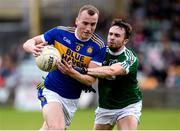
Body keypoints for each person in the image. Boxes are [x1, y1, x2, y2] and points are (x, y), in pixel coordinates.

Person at [23, 4, 106, 130]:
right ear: (77, 21)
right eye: (85, 23)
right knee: (57, 128)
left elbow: (90, 80)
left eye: (93, 24)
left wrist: (71, 72)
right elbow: (28, 43)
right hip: (50, 90)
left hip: (71, 99)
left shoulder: (98, 46)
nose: (89, 28)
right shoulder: (60, 33)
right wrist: (32, 48)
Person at [86, 19, 143, 130]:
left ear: (125, 41)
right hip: (105, 106)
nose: (112, 37)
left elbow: (112, 71)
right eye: (110, 34)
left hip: (128, 105)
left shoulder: (130, 58)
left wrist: (84, 70)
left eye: (117, 35)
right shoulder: (100, 52)